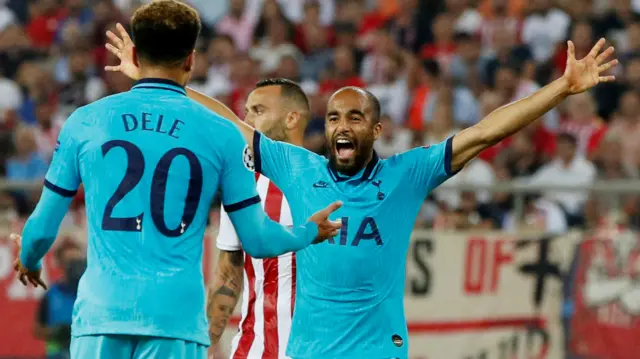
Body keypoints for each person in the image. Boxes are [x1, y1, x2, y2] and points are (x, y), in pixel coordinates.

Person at [106, 24, 617, 358]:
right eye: (333, 117)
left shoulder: (406, 175)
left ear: (376, 129)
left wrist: (562, 89)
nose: (342, 124)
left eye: (355, 116)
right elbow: (227, 122)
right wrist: (154, 80)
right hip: (307, 351)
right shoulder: (298, 167)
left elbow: (487, 132)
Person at [11, 1, 343, 359]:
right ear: (191, 60)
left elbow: (42, 229)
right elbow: (258, 239)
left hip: (101, 317)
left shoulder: (84, 121)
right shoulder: (223, 135)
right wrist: (310, 231)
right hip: (176, 322)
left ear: (135, 54)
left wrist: (29, 259)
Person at [210, 78, 310, 358]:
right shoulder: (242, 186)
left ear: (291, 118)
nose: (247, 119)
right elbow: (228, 275)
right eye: (246, 111)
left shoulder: (331, 183)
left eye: (258, 110)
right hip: (255, 350)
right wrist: (206, 343)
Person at [34, 239, 86, 359]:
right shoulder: (51, 295)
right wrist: (56, 332)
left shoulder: (90, 295)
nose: (74, 266)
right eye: (69, 262)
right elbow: (37, 328)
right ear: (60, 263)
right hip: (57, 354)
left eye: (76, 261)